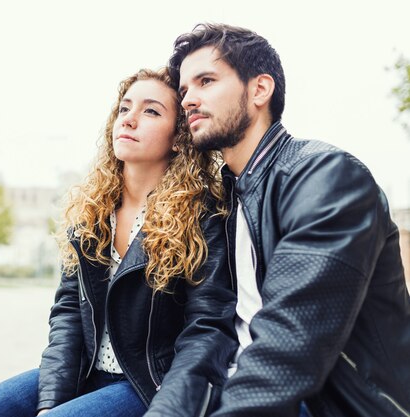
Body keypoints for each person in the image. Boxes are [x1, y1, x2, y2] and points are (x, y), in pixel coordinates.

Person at [0, 68, 238, 417]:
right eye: (124, 109)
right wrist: (51, 403)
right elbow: (68, 315)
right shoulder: (92, 211)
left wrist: (170, 408)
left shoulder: (202, 216)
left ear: (178, 138)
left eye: (150, 111)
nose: (129, 120)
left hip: (149, 383)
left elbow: (208, 328)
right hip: (86, 374)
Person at [154, 22, 410, 417]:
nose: (188, 99)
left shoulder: (327, 178)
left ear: (260, 89)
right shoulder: (225, 202)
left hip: (325, 402)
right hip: (233, 386)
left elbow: (287, 348)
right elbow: (206, 336)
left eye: (206, 81)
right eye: (185, 90)